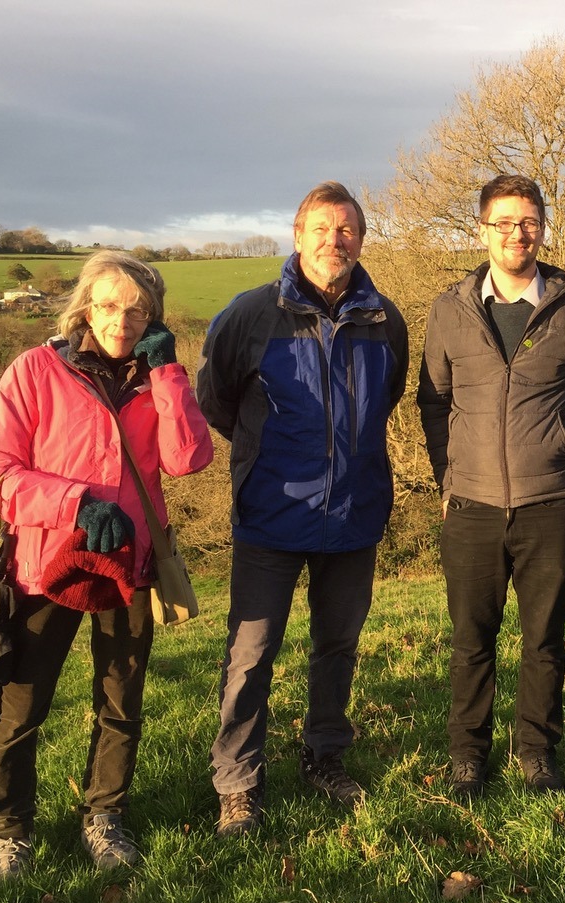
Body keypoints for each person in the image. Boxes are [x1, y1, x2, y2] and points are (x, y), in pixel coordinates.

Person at [0, 251, 213, 885]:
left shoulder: (157, 377)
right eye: (109, 305)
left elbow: (189, 459)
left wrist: (168, 375)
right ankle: (9, 835)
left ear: (154, 318)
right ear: (84, 307)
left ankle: (104, 818)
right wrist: (74, 502)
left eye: (138, 310)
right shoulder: (35, 370)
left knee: (121, 702)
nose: (122, 321)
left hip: (129, 566)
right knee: (20, 710)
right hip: (44, 564)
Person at [198, 181, 408, 834]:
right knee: (251, 655)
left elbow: (387, 397)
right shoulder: (250, 314)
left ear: (361, 240)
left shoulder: (386, 320)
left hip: (354, 514)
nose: (333, 240)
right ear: (297, 237)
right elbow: (215, 400)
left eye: (345, 229)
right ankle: (238, 780)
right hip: (270, 514)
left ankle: (324, 757)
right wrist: (268, 452)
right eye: (321, 229)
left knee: (336, 646)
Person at [418, 174, 565, 797]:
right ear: (481, 229)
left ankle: (536, 751)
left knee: (545, 639)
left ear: (542, 227)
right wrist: (448, 480)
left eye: (528, 221)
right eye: (503, 222)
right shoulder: (449, 310)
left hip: (550, 506)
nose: (516, 234)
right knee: (470, 641)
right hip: (472, 506)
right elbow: (432, 403)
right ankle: (468, 757)